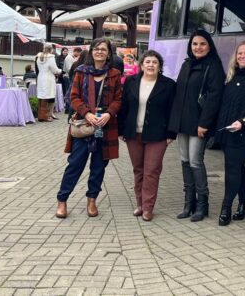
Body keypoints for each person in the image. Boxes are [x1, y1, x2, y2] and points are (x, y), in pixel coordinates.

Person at [56, 38, 123, 219]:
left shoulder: (115, 74)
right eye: (96, 49)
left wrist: (109, 114)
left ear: (108, 54)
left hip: (105, 126)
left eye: (103, 49)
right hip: (84, 125)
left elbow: (118, 99)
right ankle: (62, 199)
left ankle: (92, 200)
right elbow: (73, 96)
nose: (100, 52)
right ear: (91, 52)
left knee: (99, 166)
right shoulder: (81, 72)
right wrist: (86, 113)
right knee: (75, 164)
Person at [168, 30, 225, 222]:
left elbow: (214, 98)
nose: (198, 47)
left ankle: (202, 205)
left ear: (209, 46)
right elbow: (178, 94)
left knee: (195, 162)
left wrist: (204, 123)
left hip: (199, 124)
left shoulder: (214, 66)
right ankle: (188, 204)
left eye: (202, 44)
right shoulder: (187, 64)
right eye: (194, 44)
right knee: (184, 161)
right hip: (182, 122)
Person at [118, 50, 175, 221]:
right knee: (138, 170)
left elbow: (173, 111)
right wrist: (121, 130)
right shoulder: (131, 81)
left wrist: (171, 134)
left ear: (160, 66)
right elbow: (123, 106)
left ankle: (148, 207)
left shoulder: (169, 85)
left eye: (154, 62)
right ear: (141, 65)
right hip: (133, 133)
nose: (151, 65)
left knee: (151, 170)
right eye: (147, 62)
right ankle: (140, 204)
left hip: (158, 135)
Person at [214, 41, 245, 226]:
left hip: (244, 133)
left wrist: (242, 122)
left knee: (232, 169)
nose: (242, 56)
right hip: (228, 132)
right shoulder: (231, 77)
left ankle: (225, 208)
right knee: (238, 167)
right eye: (240, 53)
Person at [36, 45, 62, 122]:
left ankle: (40, 116)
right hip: (48, 78)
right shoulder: (50, 57)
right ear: (51, 50)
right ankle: (45, 116)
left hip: (40, 77)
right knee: (47, 97)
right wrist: (60, 71)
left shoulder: (38, 57)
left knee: (41, 97)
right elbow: (54, 70)